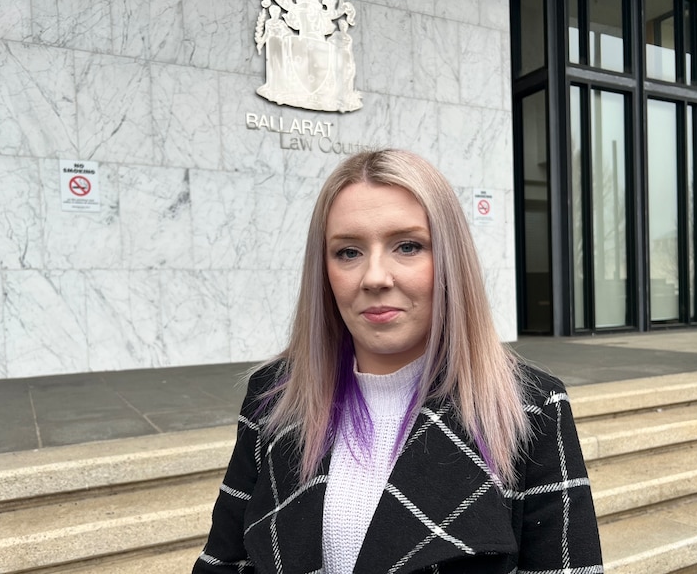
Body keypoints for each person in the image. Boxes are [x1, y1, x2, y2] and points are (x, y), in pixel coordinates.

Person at [192, 149, 603, 573]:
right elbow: (224, 562)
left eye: (407, 246)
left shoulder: (529, 407)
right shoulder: (274, 396)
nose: (374, 277)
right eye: (348, 252)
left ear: (449, 260)